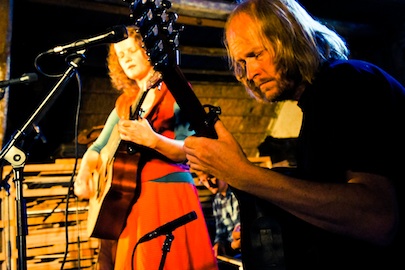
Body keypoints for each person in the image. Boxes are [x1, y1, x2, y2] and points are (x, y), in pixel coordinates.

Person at [183, 0, 404, 269]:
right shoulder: (319, 101)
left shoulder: (346, 82)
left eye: (256, 54)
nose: (250, 73)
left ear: (289, 37)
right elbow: (333, 206)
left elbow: (377, 218)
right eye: (241, 62)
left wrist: (243, 174)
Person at [74, 25, 218, 270]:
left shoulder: (175, 90)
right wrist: (85, 170)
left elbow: (192, 149)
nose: (126, 58)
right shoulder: (124, 103)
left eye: (131, 50)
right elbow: (98, 146)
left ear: (149, 50)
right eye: (121, 55)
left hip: (169, 197)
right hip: (130, 201)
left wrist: (153, 140)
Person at [196, 171, 241, 258]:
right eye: (204, 181)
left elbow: (239, 228)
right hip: (230, 249)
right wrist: (218, 243)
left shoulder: (237, 194)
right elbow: (220, 230)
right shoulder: (217, 200)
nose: (209, 184)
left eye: (211, 177)